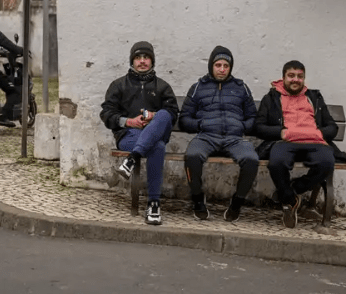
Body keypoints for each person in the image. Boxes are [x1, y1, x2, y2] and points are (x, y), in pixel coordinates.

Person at [255, 60, 346, 228]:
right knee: (276, 163)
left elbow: (332, 126)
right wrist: (281, 132)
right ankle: (290, 200)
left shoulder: (314, 97)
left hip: (314, 142)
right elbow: (258, 126)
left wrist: (319, 133)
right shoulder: (271, 98)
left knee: (327, 163)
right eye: (291, 76)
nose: (295, 79)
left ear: (304, 78)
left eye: (300, 76)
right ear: (283, 77)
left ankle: (290, 191)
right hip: (285, 141)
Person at [100, 41, 179, 225]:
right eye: (138, 57)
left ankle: (132, 159)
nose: (142, 61)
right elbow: (106, 113)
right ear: (132, 61)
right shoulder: (118, 85)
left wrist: (154, 117)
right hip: (129, 136)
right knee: (157, 147)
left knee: (164, 114)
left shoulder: (163, 87)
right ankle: (154, 204)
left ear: (152, 61)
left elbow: (173, 114)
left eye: (146, 57)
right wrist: (129, 121)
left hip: (155, 134)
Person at [179, 45, 258, 222]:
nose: (222, 69)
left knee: (251, 160)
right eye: (218, 65)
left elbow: (252, 116)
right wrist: (201, 124)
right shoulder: (198, 87)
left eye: (226, 66)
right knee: (192, 156)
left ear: (230, 68)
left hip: (234, 139)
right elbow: (184, 119)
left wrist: (242, 127)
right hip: (206, 137)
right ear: (211, 66)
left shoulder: (241, 87)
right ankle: (198, 200)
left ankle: (237, 202)